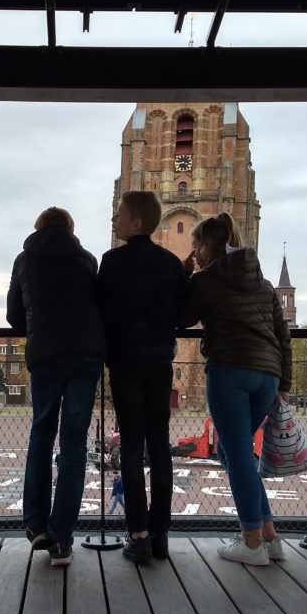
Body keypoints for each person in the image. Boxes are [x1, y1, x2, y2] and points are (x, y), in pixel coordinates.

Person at [178, 212, 292, 566]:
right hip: (268, 374)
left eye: (196, 244)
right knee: (233, 452)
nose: (194, 251)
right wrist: (284, 382)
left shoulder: (206, 279)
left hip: (230, 369)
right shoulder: (262, 281)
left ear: (208, 245)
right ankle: (270, 537)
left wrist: (185, 273)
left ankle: (252, 543)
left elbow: (177, 317)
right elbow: (282, 332)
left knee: (238, 455)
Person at [7, 206, 105, 567]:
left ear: (39, 227)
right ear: (70, 228)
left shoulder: (24, 259)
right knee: (75, 442)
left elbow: (13, 315)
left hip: (46, 352)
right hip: (85, 353)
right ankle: (63, 538)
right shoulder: (87, 260)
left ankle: (36, 524)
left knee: (42, 431)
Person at [97, 190, 186, 564]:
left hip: (125, 364)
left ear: (135, 222)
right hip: (159, 364)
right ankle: (162, 535)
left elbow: (100, 309)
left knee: (132, 447)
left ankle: (139, 536)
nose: (113, 219)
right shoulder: (170, 264)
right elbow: (181, 316)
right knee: (161, 446)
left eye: (118, 213)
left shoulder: (111, 261)